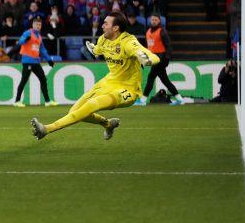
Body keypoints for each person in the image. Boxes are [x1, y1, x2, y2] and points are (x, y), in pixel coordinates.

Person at [31, 12, 160, 141]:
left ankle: (46, 129)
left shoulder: (128, 41)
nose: (102, 25)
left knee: (92, 105)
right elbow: (98, 50)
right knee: (75, 110)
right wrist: (93, 49)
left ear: (116, 28)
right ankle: (107, 124)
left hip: (127, 89)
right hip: (108, 82)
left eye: (106, 23)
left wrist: (148, 60)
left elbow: (151, 56)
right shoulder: (103, 39)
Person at [140, 14, 184, 106]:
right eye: (152, 20)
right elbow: (148, 47)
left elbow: (168, 46)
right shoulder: (148, 32)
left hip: (161, 58)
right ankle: (180, 99)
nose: (154, 21)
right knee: (165, 81)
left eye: (155, 20)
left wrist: (166, 59)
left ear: (159, 21)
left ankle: (143, 100)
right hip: (153, 58)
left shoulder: (162, 31)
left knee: (151, 78)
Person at [13, 17, 57, 107]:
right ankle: (17, 101)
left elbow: (42, 50)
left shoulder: (39, 37)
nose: (38, 26)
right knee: (24, 80)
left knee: (43, 79)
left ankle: (47, 101)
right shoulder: (28, 33)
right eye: (36, 24)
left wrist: (49, 60)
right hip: (27, 61)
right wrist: (25, 39)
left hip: (36, 62)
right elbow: (20, 41)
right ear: (33, 25)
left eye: (39, 25)